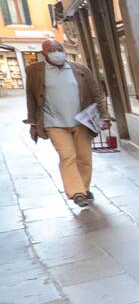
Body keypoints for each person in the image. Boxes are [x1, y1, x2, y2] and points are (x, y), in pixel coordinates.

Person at [23, 39, 107, 207]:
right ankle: (77, 193)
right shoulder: (34, 71)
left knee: (84, 157)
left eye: (59, 48)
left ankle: (83, 188)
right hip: (54, 123)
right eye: (51, 50)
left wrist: (104, 116)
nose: (56, 52)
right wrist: (33, 122)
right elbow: (31, 97)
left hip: (81, 121)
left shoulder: (80, 69)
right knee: (68, 156)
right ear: (44, 53)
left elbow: (97, 94)